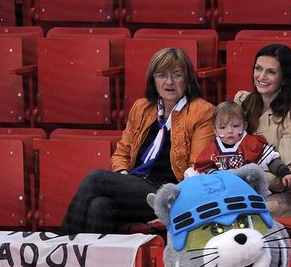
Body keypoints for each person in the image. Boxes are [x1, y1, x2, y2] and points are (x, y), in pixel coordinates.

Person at [59, 47, 214, 234]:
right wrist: (122, 178)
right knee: (100, 206)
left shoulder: (202, 112)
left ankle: (62, 245)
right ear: (153, 80)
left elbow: (196, 168)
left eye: (176, 75)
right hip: (136, 186)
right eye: (162, 75)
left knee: (95, 178)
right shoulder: (141, 107)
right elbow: (122, 152)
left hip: (169, 194)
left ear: (187, 79)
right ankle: (90, 261)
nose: (169, 82)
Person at [234, 43, 291, 217]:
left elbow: (285, 175)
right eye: (258, 69)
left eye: (271, 72)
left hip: (276, 195)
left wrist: (240, 177)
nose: (261, 77)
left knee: (237, 213)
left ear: (284, 77)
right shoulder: (241, 102)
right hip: (236, 188)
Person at [185, 101, 291, 192]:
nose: (230, 131)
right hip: (222, 191)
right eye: (223, 127)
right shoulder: (213, 149)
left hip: (248, 190)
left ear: (244, 126)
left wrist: (285, 173)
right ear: (215, 130)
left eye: (235, 126)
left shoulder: (251, 143)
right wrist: (216, 174)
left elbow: (272, 160)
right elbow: (204, 167)